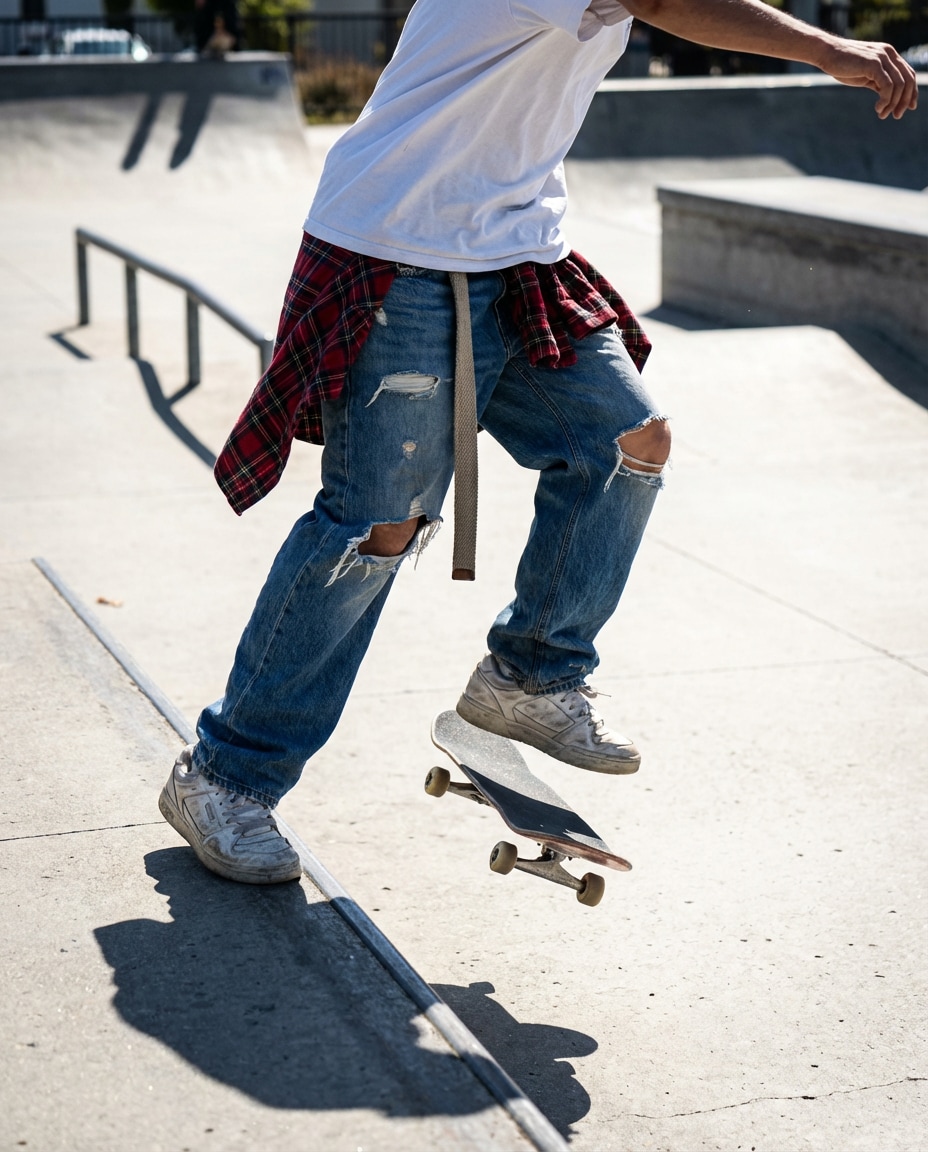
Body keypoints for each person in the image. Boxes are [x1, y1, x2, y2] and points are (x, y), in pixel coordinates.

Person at [159, 0, 917, 884]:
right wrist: (830, 49)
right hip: (397, 252)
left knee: (628, 443)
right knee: (377, 528)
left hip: (518, 253)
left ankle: (529, 676)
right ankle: (224, 776)